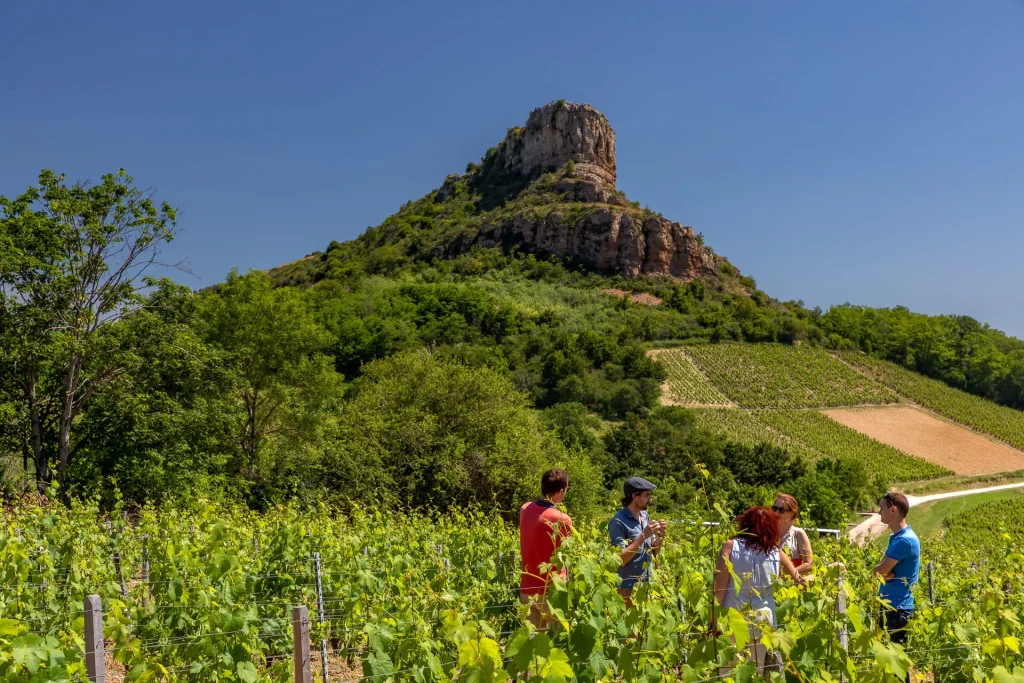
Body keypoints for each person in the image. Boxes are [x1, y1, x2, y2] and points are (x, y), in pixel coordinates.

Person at [713, 506, 805, 675]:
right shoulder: (775, 553)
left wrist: (713, 621)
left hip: (733, 618)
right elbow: (798, 578)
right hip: (763, 621)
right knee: (755, 671)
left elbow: (719, 589)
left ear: (746, 524)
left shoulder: (730, 547)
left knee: (728, 672)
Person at [519, 468, 573, 628]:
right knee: (556, 640)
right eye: (566, 490)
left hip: (527, 586)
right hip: (551, 589)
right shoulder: (562, 519)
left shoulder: (525, 509)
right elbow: (567, 552)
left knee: (533, 642)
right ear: (560, 492)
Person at [608, 477, 667, 605]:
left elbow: (653, 552)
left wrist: (661, 536)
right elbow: (620, 560)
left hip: (646, 585)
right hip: (627, 588)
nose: (650, 499)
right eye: (647, 495)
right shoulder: (618, 521)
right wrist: (642, 536)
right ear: (634, 496)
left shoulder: (644, 516)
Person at [873, 491, 919, 648]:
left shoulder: (904, 540)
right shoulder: (898, 537)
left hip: (898, 610)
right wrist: (886, 573)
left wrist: (885, 574)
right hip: (892, 607)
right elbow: (881, 572)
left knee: (896, 668)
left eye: (882, 508)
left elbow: (878, 573)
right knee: (889, 664)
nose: (879, 512)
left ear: (893, 510)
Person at [773, 493, 814, 575]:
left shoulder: (798, 534)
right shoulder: (767, 532)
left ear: (792, 513)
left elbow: (809, 564)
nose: (776, 513)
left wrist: (789, 574)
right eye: (774, 508)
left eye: (781, 510)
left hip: (792, 584)